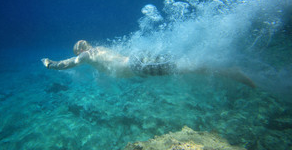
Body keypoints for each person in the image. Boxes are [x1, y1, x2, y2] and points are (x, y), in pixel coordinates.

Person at [41, 40, 256, 87]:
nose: (79, 54)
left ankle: (229, 71)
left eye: (78, 51)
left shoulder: (87, 55)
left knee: (184, 68)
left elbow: (68, 64)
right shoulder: (101, 50)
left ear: (81, 50)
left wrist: (50, 64)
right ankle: (223, 68)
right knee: (181, 65)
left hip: (137, 66)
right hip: (137, 61)